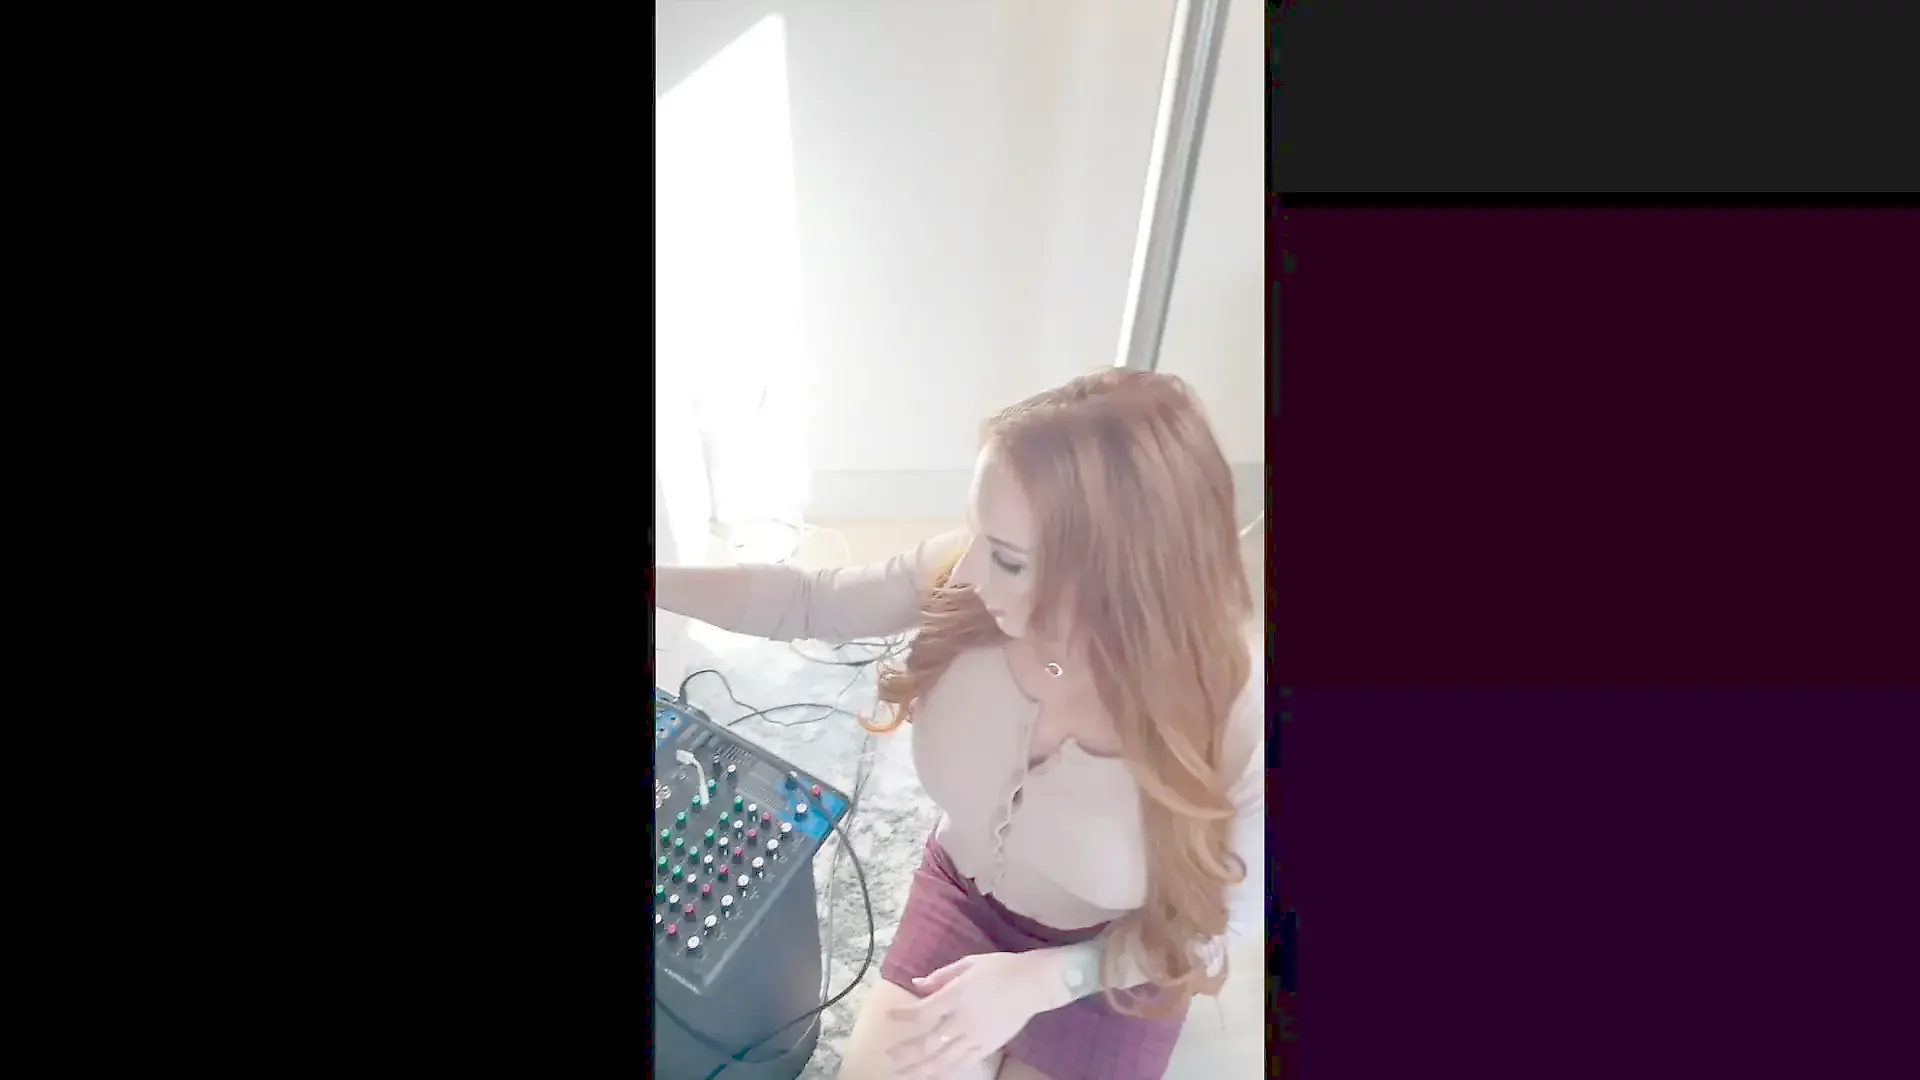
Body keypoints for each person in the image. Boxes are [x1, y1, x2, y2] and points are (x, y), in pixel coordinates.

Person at [655, 369, 1264, 1080]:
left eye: (1007, 558)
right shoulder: (966, 577)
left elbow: (1214, 927)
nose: (969, 571)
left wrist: (1048, 980)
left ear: (1125, 571)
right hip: (963, 899)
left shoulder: (1236, 709)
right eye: (978, 534)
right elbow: (808, 601)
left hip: (1118, 959)